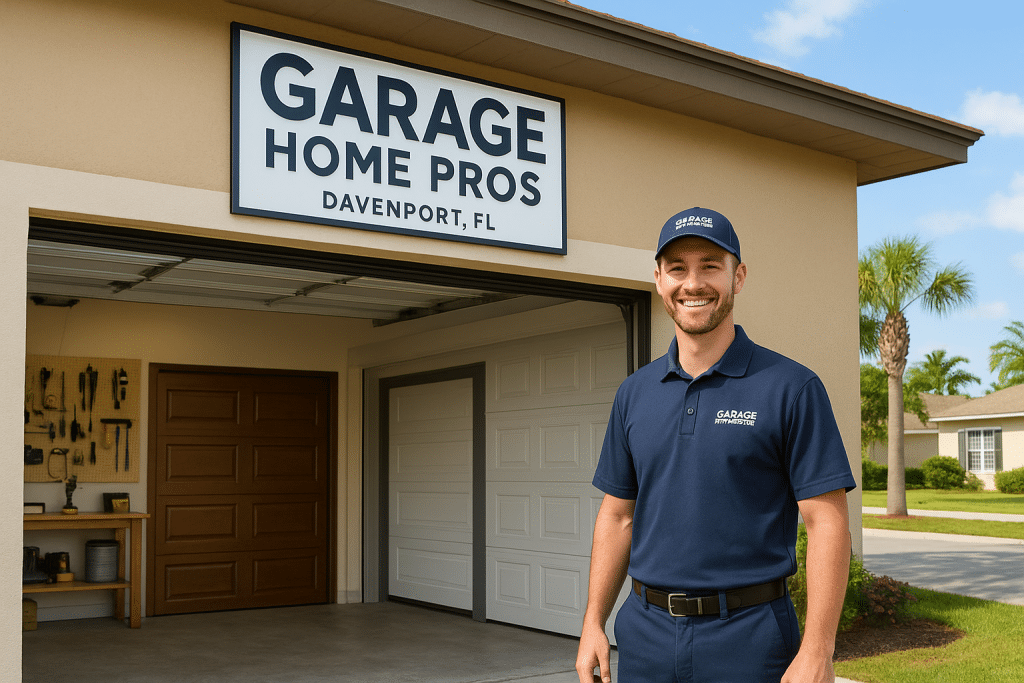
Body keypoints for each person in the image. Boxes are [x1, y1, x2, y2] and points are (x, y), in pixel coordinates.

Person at [575, 207, 856, 683]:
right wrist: (592, 624)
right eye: (678, 268)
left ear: (738, 276)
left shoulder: (791, 387)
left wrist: (818, 651)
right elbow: (617, 516)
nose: (693, 283)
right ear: (660, 279)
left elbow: (826, 523)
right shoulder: (634, 393)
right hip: (645, 636)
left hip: (751, 638)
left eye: (710, 265)